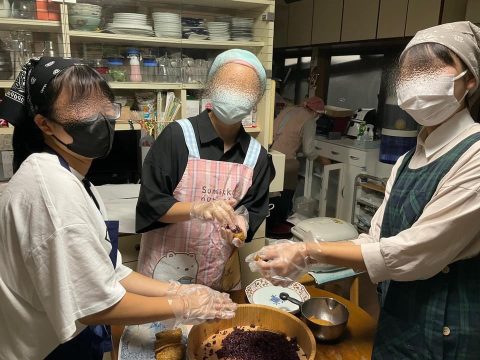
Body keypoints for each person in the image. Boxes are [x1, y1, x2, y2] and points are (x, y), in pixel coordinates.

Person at [247, 21, 480, 359]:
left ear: (469, 78)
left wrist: (309, 252)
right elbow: (374, 241)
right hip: (399, 316)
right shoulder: (407, 159)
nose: (417, 80)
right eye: (410, 71)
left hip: (448, 328)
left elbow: (411, 253)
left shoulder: (474, 155)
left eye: (430, 67)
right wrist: (303, 262)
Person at [0, 57, 236, 360]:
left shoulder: (71, 176)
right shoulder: (51, 190)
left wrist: (176, 290)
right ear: (44, 123)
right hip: (45, 351)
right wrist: (184, 306)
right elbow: (98, 304)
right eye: (81, 106)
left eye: (105, 103)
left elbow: (110, 273)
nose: (100, 116)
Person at [136, 49, 271, 291]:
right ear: (210, 86)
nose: (235, 93)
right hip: (165, 278)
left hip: (218, 276)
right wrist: (198, 209)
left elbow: (250, 212)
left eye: (245, 88)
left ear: (258, 97)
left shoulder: (257, 157)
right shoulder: (177, 137)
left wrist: (238, 226)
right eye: (228, 84)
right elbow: (152, 206)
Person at [267, 96, 325, 233]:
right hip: (286, 160)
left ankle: (268, 225)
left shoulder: (288, 110)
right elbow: (308, 150)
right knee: (284, 194)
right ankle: (278, 226)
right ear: (317, 113)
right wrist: (322, 159)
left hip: (269, 154)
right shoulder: (310, 120)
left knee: (271, 193)